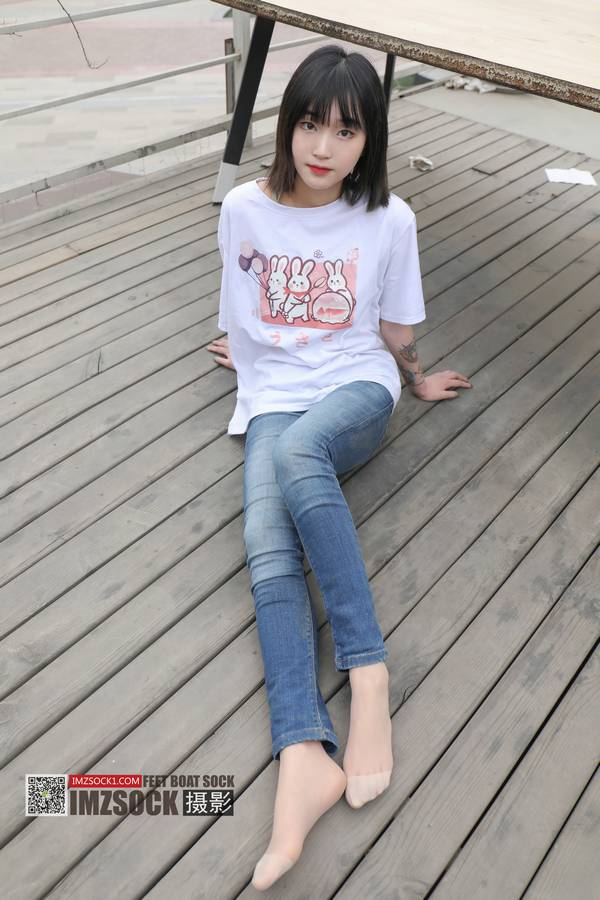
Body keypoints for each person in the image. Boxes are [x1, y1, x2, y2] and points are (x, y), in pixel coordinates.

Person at [206, 44, 472, 891]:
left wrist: (414, 377)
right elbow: (242, 306)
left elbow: (391, 332)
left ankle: (368, 672)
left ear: (369, 140)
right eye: (311, 124)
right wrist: (250, 353)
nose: (324, 147)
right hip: (275, 391)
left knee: (297, 453)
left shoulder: (389, 218)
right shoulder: (244, 208)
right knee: (265, 537)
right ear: (287, 125)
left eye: (347, 131)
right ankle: (301, 753)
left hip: (356, 384)